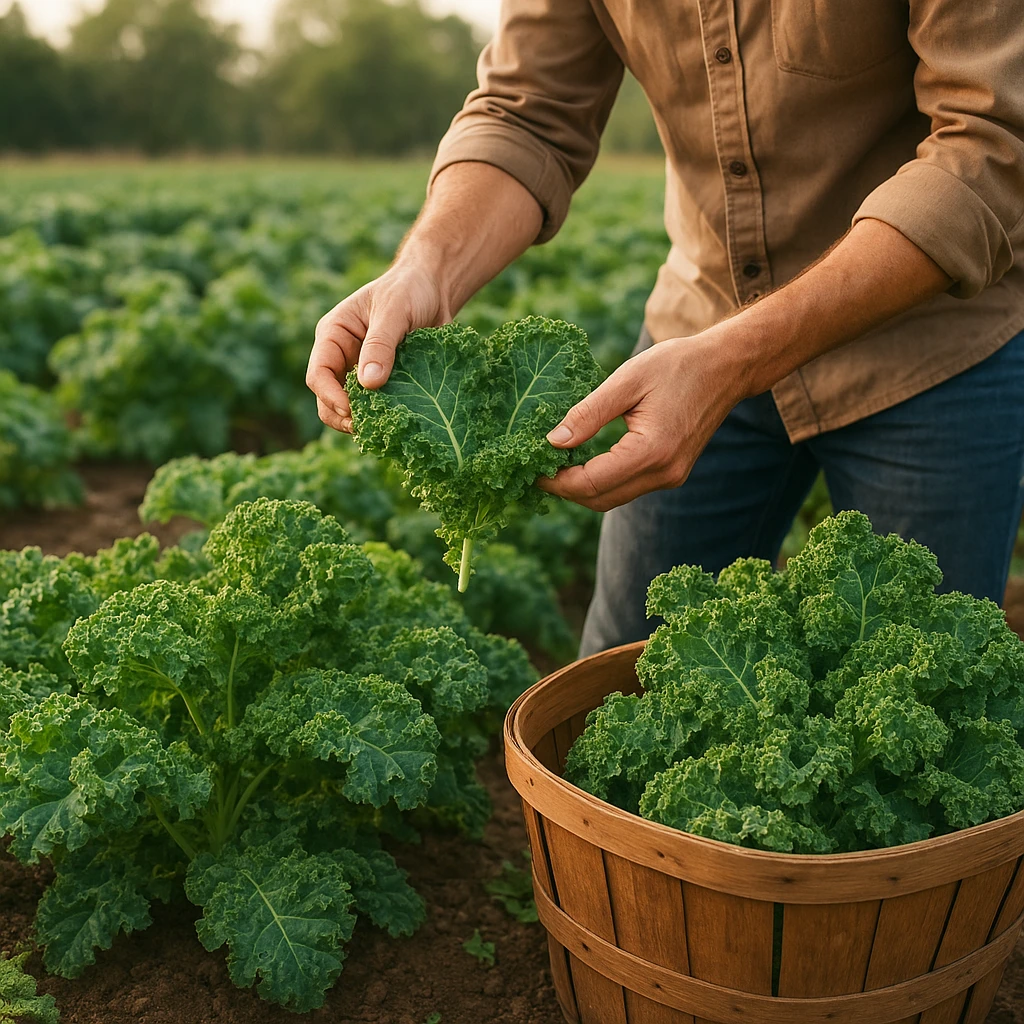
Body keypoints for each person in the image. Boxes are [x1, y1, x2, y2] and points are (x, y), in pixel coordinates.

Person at [306, 1, 1024, 657]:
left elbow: (990, 140)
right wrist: (427, 267)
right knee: (623, 675)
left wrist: (736, 358)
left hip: (931, 348)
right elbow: (528, 113)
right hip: (698, 324)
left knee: (920, 681)